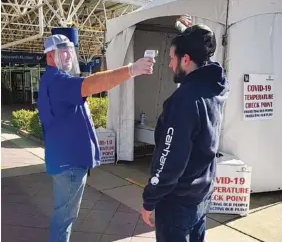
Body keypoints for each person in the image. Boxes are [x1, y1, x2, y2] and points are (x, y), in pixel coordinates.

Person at [37, 34, 154, 242]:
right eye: (61, 52)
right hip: (70, 165)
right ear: (49, 56)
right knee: (64, 218)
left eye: (69, 51)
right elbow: (92, 84)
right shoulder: (59, 81)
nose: (67, 57)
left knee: (63, 215)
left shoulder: (50, 80)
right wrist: (131, 70)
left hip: (63, 163)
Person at [140, 21, 229, 242]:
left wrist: (149, 199)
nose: (170, 65)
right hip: (201, 195)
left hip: (177, 204)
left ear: (186, 59)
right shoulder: (215, 87)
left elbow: (170, 158)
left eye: (172, 58)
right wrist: (196, 36)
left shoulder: (184, 100)